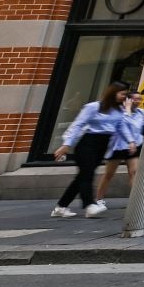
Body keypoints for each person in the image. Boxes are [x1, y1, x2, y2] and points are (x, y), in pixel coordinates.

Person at [51, 82, 131, 218]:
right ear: (113, 92)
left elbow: (122, 127)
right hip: (88, 143)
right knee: (87, 174)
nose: (125, 97)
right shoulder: (93, 107)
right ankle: (89, 205)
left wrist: (130, 141)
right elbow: (78, 124)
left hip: (103, 145)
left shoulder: (119, 110)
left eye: (126, 94)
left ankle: (61, 207)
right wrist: (67, 144)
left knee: (82, 176)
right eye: (122, 94)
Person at [97, 88, 144, 202]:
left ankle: (136, 200)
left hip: (134, 146)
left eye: (140, 99)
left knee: (134, 172)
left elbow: (141, 128)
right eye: (135, 99)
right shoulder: (119, 111)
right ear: (128, 100)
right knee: (109, 174)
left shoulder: (141, 113)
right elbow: (125, 125)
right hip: (118, 146)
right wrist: (127, 109)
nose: (138, 101)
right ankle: (99, 199)